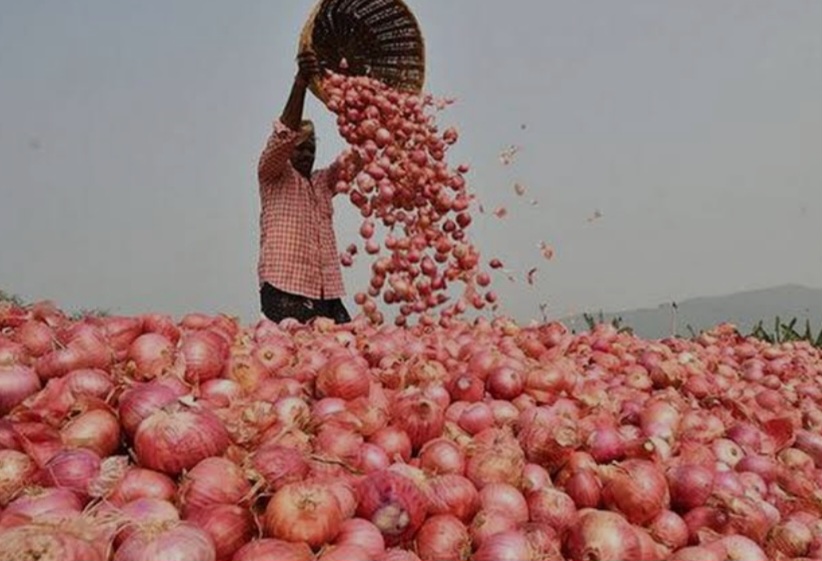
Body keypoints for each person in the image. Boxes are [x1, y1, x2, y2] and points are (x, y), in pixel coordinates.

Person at [256, 52, 354, 325]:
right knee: (293, 359)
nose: (306, 155)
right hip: (285, 286)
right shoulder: (272, 174)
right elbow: (283, 135)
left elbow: (357, 159)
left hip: (327, 292)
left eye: (311, 149)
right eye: (300, 148)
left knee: (341, 356)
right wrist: (301, 82)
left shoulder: (323, 182)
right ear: (288, 151)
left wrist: (370, 115)